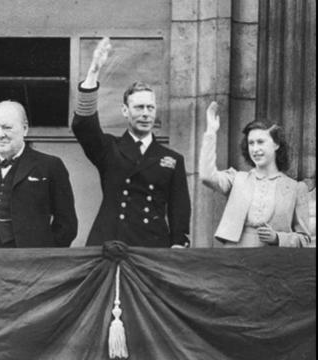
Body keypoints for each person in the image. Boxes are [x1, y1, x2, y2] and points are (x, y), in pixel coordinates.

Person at [72, 38, 191, 248]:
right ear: (125, 111)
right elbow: (84, 127)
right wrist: (93, 72)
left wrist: (178, 244)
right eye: (139, 108)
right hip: (110, 243)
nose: (145, 114)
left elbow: (179, 209)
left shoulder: (172, 159)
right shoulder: (109, 149)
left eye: (150, 108)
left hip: (152, 246)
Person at [0, 100, 77, 248]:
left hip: (26, 263)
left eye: (7, 128)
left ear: (25, 129)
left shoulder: (50, 166)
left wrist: (44, 257)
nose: (0, 135)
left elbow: (67, 225)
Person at [200, 101, 311, 247]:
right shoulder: (237, 179)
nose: (255, 148)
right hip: (235, 258)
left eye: (260, 142)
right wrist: (211, 132)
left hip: (273, 263)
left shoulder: (296, 188)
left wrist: (278, 238)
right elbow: (207, 176)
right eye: (251, 143)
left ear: (276, 144)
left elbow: (305, 239)